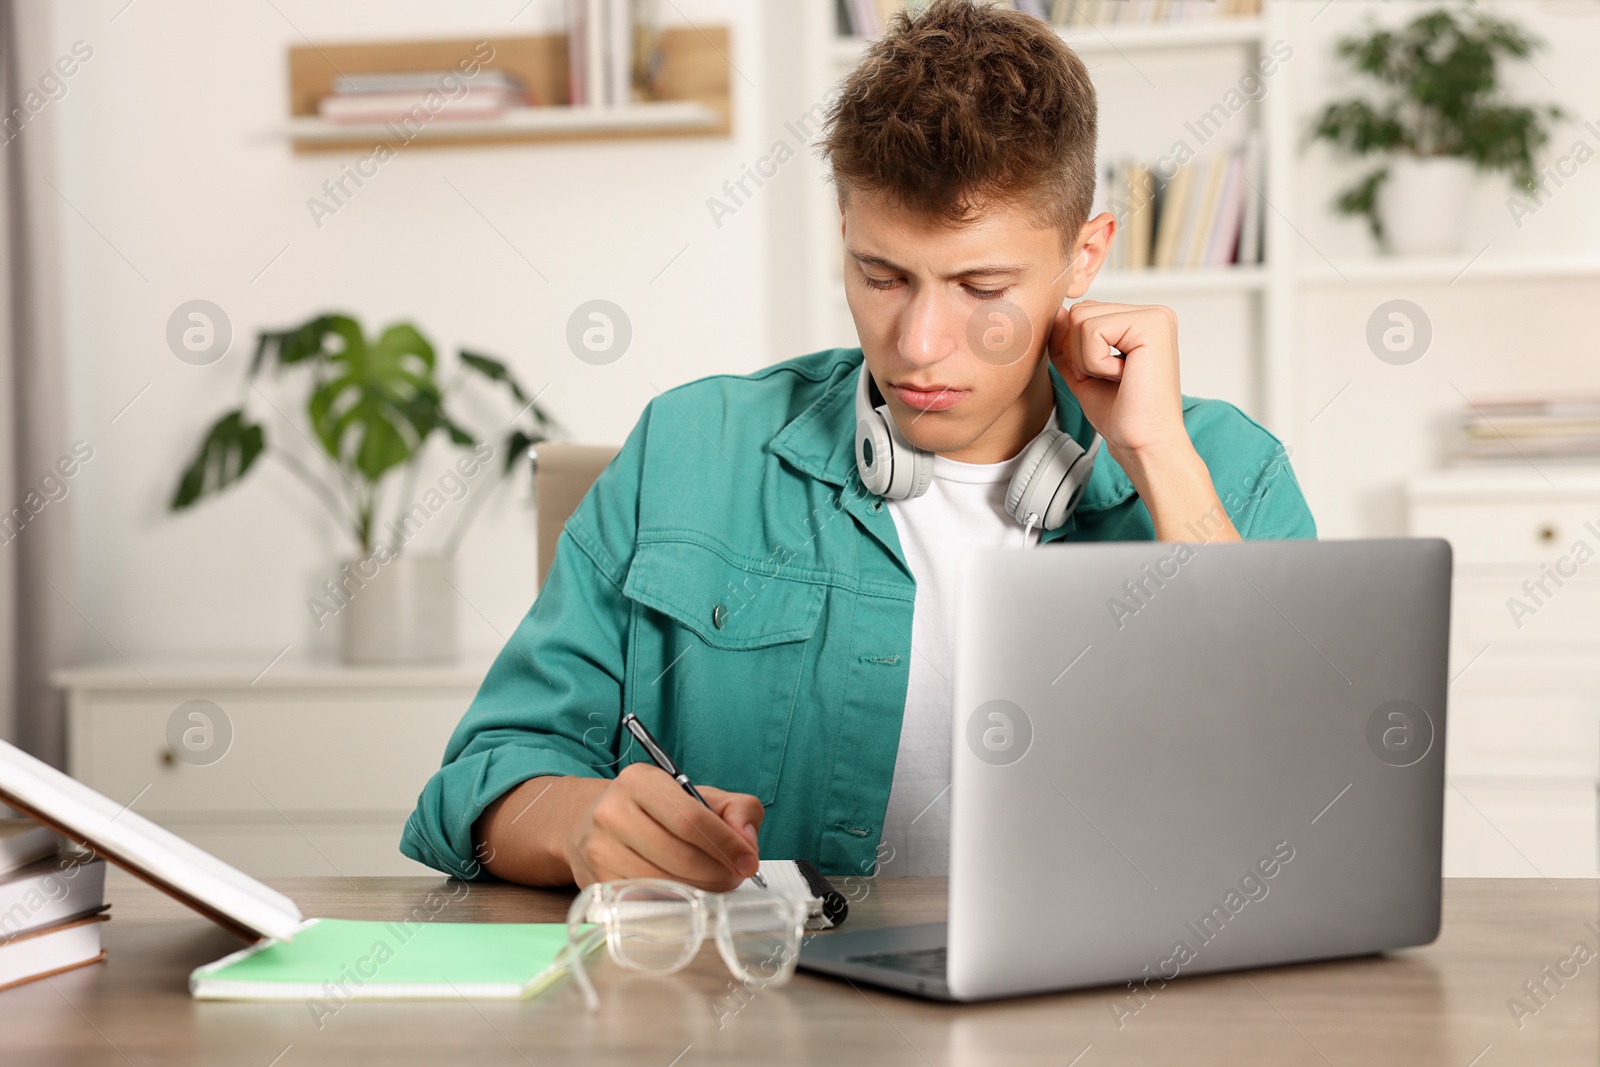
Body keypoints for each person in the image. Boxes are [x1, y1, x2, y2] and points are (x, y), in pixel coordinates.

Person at [401, 0, 1314, 891]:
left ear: (1085, 255)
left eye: (980, 285)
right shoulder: (688, 449)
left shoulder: (1226, 473)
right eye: (882, 275)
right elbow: (484, 778)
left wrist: (1159, 461)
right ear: (844, 230)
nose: (918, 343)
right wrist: (578, 825)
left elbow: (1309, 810)